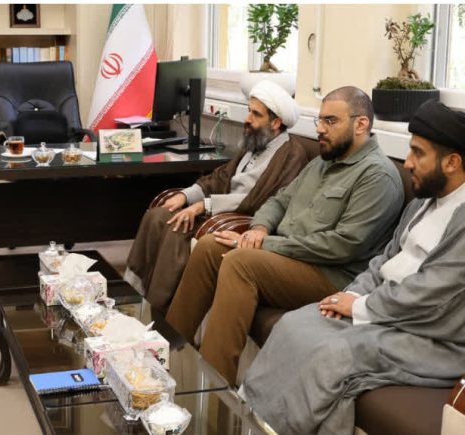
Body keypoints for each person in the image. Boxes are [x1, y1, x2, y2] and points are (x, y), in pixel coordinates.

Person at [240, 100, 465, 435]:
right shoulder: (422, 202)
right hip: (385, 311)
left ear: (452, 162)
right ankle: (251, 418)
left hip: (431, 337)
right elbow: (384, 260)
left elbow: (432, 292)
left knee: (332, 353)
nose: (408, 163)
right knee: (294, 324)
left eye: (418, 153)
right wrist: (350, 296)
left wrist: (360, 307)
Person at [165, 86, 405, 386]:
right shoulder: (321, 162)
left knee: (241, 263)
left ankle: (214, 390)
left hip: (330, 274)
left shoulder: (377, 176)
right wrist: (259, 229)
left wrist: (265, 244)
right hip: (288, 256)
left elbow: (341, 247)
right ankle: (166, 356)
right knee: (211, 246)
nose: (320, 129)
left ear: (361, 124)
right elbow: (278, 200)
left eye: (330, 121)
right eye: (319, 120)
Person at [124, 80, 309, 311]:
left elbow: (262, 199)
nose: (247, 119)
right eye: (249, 111)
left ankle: (157, 308)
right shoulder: (256, 141)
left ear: (276, 122)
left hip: (240, 218)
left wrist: (203, 206)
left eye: (256, 114)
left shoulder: (291, 155)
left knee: (176, 227)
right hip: (218, 209)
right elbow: (220, 177)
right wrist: (185, 196)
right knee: (160, 214)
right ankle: (131, 294)